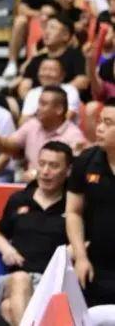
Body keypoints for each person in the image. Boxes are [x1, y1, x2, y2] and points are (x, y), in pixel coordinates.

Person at [0, 141, 70, 326]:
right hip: (14, 279)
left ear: (67, 170)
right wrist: (7, 250)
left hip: (52, 282)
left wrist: (64, 257)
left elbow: (84, 243)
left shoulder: (73, 205)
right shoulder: (19, 199)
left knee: (8, 308)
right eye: (41, 164)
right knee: (21, 279)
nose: (45, 171)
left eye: (54, 166)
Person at [66, 99, 115, 307]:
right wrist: (81, 256)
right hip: (96, 265)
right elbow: (73, 212)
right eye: (100, 121)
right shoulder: (86, 161)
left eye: (108, 123)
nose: (100, 128)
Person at [0, 86, 86, 182]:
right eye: (39, 103)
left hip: (58, 189)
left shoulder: (74, 137)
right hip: (28, 186)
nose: (38, 108)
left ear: (59, 109)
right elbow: (8, 146)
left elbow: (74, 173)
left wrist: (38, 174)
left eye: (43, 104)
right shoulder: (32, 124)